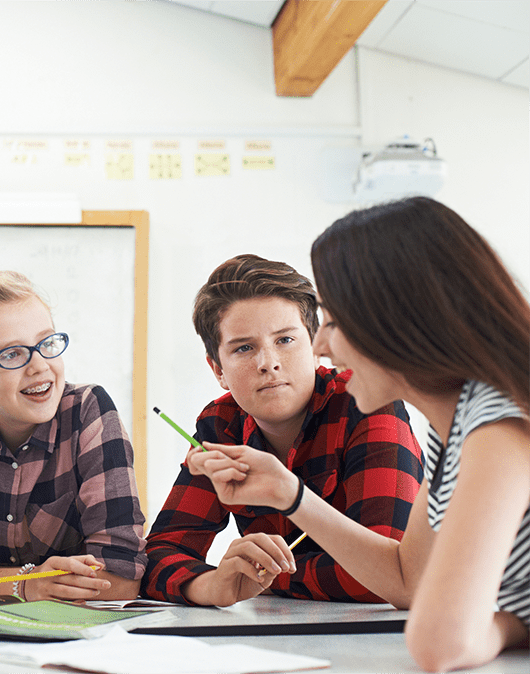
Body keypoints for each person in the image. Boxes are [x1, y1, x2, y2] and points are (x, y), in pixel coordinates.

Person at [200, 198, 529, 671]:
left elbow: (443, 642)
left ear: (393, 322)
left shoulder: (497, 427)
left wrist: (515, 622)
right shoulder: (453, 426)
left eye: (332, 321)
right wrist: (288, 494)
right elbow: (406, 579)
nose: (320, 345)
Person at [143, 254, 424, 608]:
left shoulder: (367, 401)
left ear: (316, 346)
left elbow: (387, 574)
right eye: (244, 348)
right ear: (218, 370)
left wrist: (263, 575)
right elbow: (157, 556)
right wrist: (214, 585)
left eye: (285, 340)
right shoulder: (220, 424)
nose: (268, 363)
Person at [0, 271, 147, 601]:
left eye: (46, 344)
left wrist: (15, 585)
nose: (39, 366)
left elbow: (120, 576)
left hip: (81, 629)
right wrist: (26, 583)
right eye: (12, 354)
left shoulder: (88, 410)